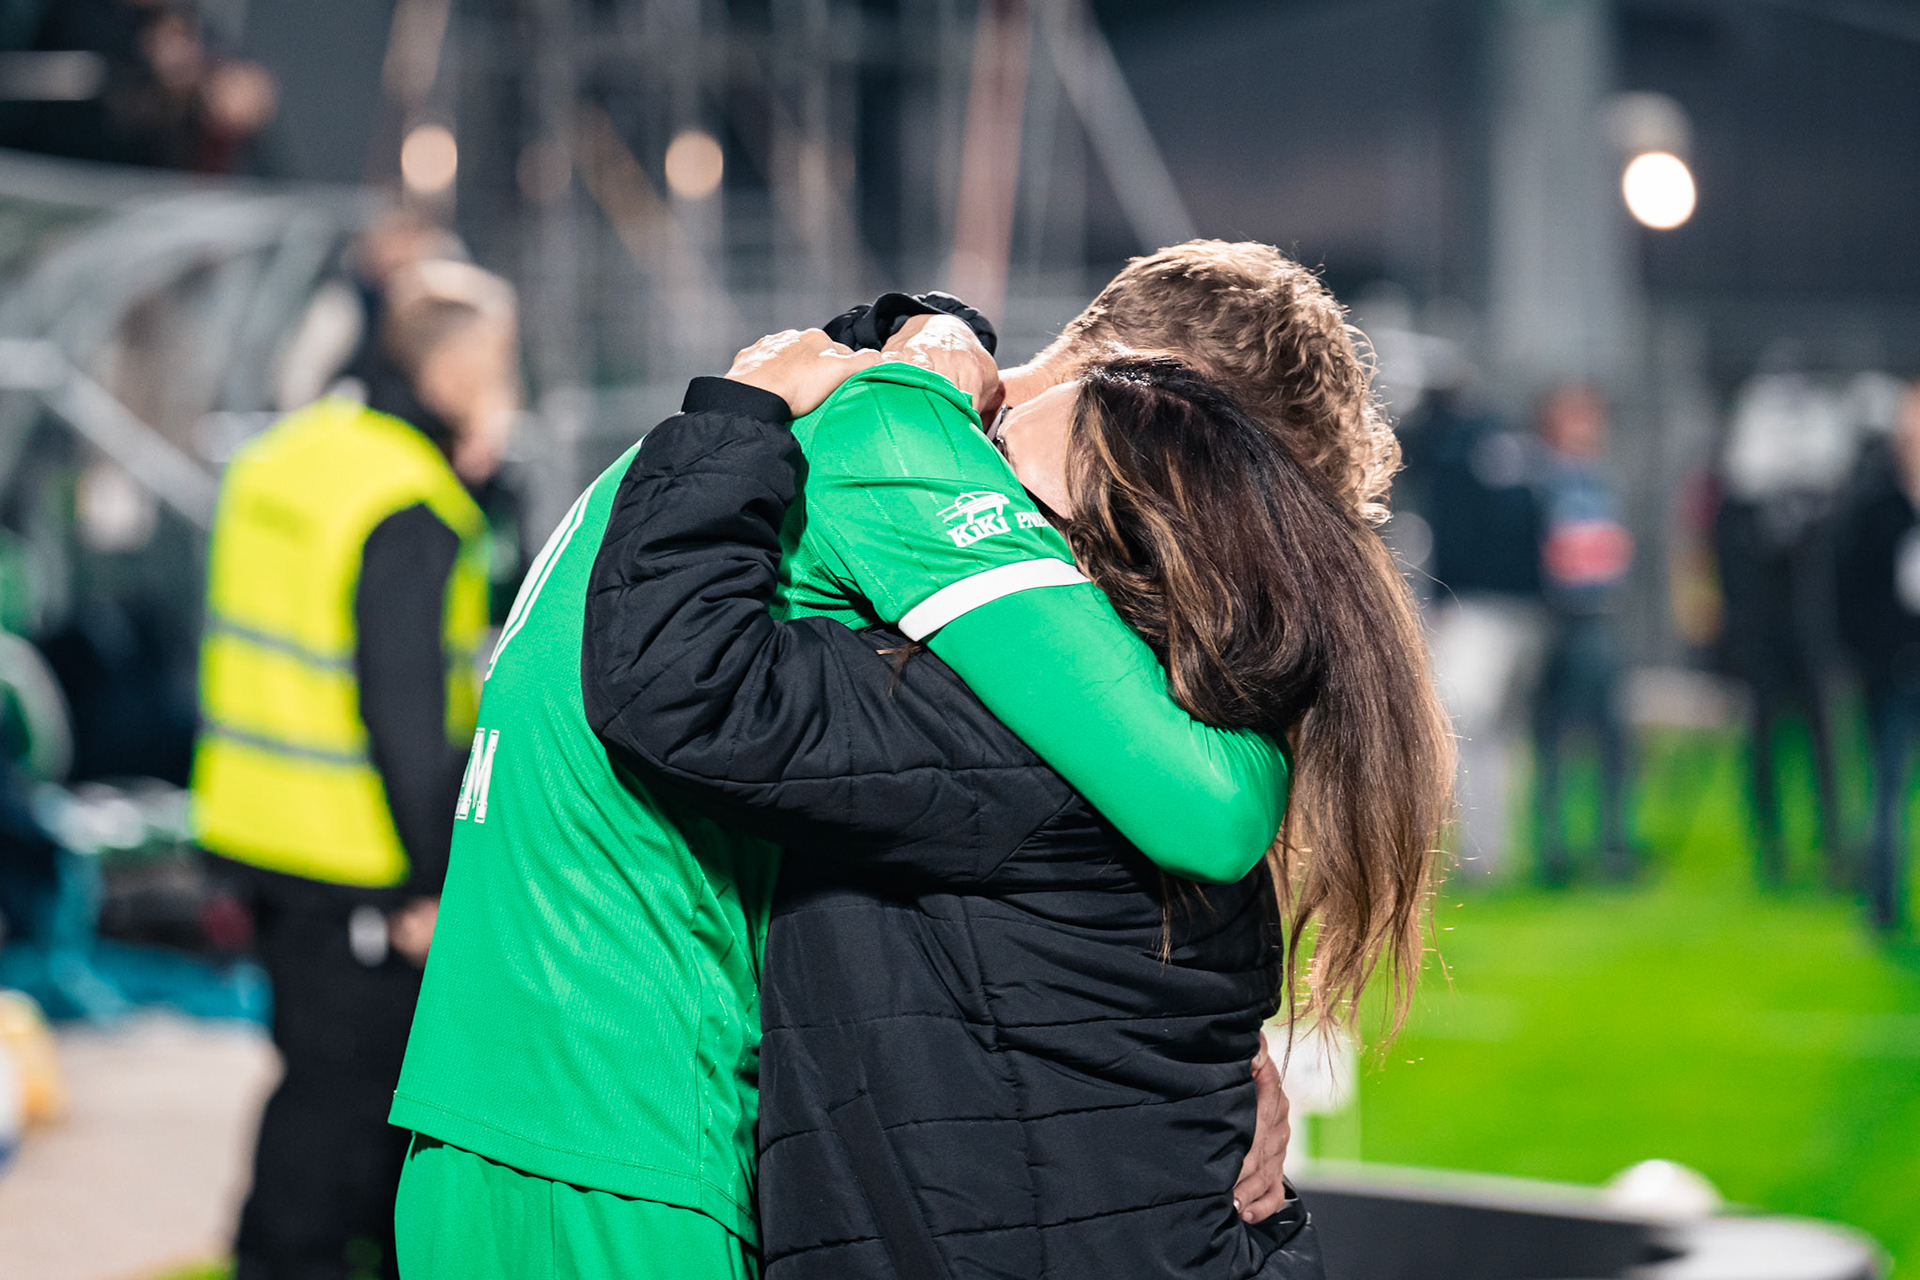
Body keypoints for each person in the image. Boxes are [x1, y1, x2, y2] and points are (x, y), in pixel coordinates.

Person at [391, 242, 1361, 1276]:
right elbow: (1207, 798)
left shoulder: (865, 414)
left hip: (540, 1097)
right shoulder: (915, 451)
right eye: (1215, 471)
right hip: (616, 1121)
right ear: (1147, 403)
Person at [588, 313, 1449, 1273]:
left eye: (996, 483)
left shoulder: (1005, 739)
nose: (951, 489)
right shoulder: (1181, 727)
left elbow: (684, 684)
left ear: (1093, 561)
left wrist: (736, 416)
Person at [192, 258, 517, 1280]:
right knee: (347, 1110)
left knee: (311, 1080)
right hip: (359, 858)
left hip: (255, 828)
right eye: (502, 368)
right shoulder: (409, 501)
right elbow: (405, 711)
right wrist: (431, 880)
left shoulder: (286, 456)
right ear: (455, 375)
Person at [1528, 385, 1634, 883]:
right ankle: (1555, 848)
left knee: (1610, 736)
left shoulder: (1602, 481)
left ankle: (1610, 843)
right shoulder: (1542, 480)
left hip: (1597, 616)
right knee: (1554, 736)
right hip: (1558, 617)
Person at [1836, 380, 1920, 931]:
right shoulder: (1874, 505)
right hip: (1892, 671)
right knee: (1887, 789)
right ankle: (1883, 905)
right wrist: (1869, 658)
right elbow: (1848, 590)